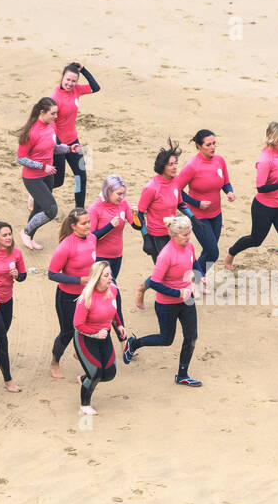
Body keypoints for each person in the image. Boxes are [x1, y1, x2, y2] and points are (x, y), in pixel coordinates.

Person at [224, 122, 278, 293]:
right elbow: (261, 187)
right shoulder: (265, 160)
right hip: (263, 207)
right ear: (273, 140)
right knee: (256, 239)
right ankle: (231, 252)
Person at [123, 216, 201, 387]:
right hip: (167, 304)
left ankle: (182, 374)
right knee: (166, 339)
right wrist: (178, 292)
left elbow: (194, 262)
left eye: (189, 234)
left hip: (186, 300)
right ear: (173, 235)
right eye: (184, 235)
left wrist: (200, 278)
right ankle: (134, 344)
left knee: (192, 336)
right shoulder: (166, 255)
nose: (188, 238)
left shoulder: (189, 246)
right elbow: (156, 283)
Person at [176, 129, 234, 283]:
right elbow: (176, 191)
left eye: (214, 143)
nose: (213, 147)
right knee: (213, 253)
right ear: (198, 146)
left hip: (216, 214)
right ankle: (192, 280)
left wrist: (229, 192)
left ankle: (195, 280)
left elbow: (225, 182)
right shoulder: (192, 166)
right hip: (197, 216)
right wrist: (197, 203)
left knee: (208, 251)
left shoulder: (219, 161)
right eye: (208, 144)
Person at [46, 209, 97, 379]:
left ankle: (83, 357)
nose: (88, 226)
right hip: (67, 296)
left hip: (87, 295)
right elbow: (52, 273)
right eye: (84, 223)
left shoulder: (92, 239)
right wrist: (78, 280)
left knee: (88, 329)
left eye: (89, 221)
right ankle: (55, 361)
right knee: (67, 332)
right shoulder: (66, 246)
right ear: (73, 226)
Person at [72, 262, 125, 415]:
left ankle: (84, 379)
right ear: (97, 278)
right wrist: (95, 334)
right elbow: (78, 324)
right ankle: (84, 405)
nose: (110, 278)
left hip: (104, 336)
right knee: (95, 374)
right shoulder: (86, 298)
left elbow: (114, 311)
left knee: (109, 373)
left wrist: (119, 326)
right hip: (85, 338)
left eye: (110, 275)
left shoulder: (113, 290)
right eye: (106, 275)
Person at [16, 97, 67, 250]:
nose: (56, 117)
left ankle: (30, 237)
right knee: (51, 210)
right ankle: (25, 232)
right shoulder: (31, 133)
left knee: (39, 209)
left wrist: (68, 149)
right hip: (33, 178)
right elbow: (20, 158)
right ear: (42, 112)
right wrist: (42, 166)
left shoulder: (51, 126)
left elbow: (53, 148)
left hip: (47, 175)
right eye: (53, 114)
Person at [0, 221, 27, 393]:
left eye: (10, 234)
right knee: (2, 339)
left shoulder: (16, 253)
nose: (9, 238)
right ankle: (8, 380)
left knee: (1, 331)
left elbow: (23, 276)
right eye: (4, 235)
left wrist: (18, 275)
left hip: (7, 300)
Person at [51, 62, 101, 209]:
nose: (70, 83)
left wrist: (83, 69)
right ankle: (38, 193)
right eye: (68, 80)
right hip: (59, 146)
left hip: (75, 143)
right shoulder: (54, 97)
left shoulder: (77, 90)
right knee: (58, 181)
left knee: (81, 177)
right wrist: (62, 146)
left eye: (74, 81)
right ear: (62, 78)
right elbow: (51, 124)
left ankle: (79, 209)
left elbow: (95, 87)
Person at [136, 139, 189, 262]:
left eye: (175, 163)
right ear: (162, 166)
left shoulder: (176, 181)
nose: (175, 167)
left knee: (175, 266)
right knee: (165, 271)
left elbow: (180, 204)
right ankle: (148, 283)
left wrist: (193, 218)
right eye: (171, 164)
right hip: (157, 237)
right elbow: (139, 214)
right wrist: (146, 237)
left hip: (174, 232)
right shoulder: (151, 188)